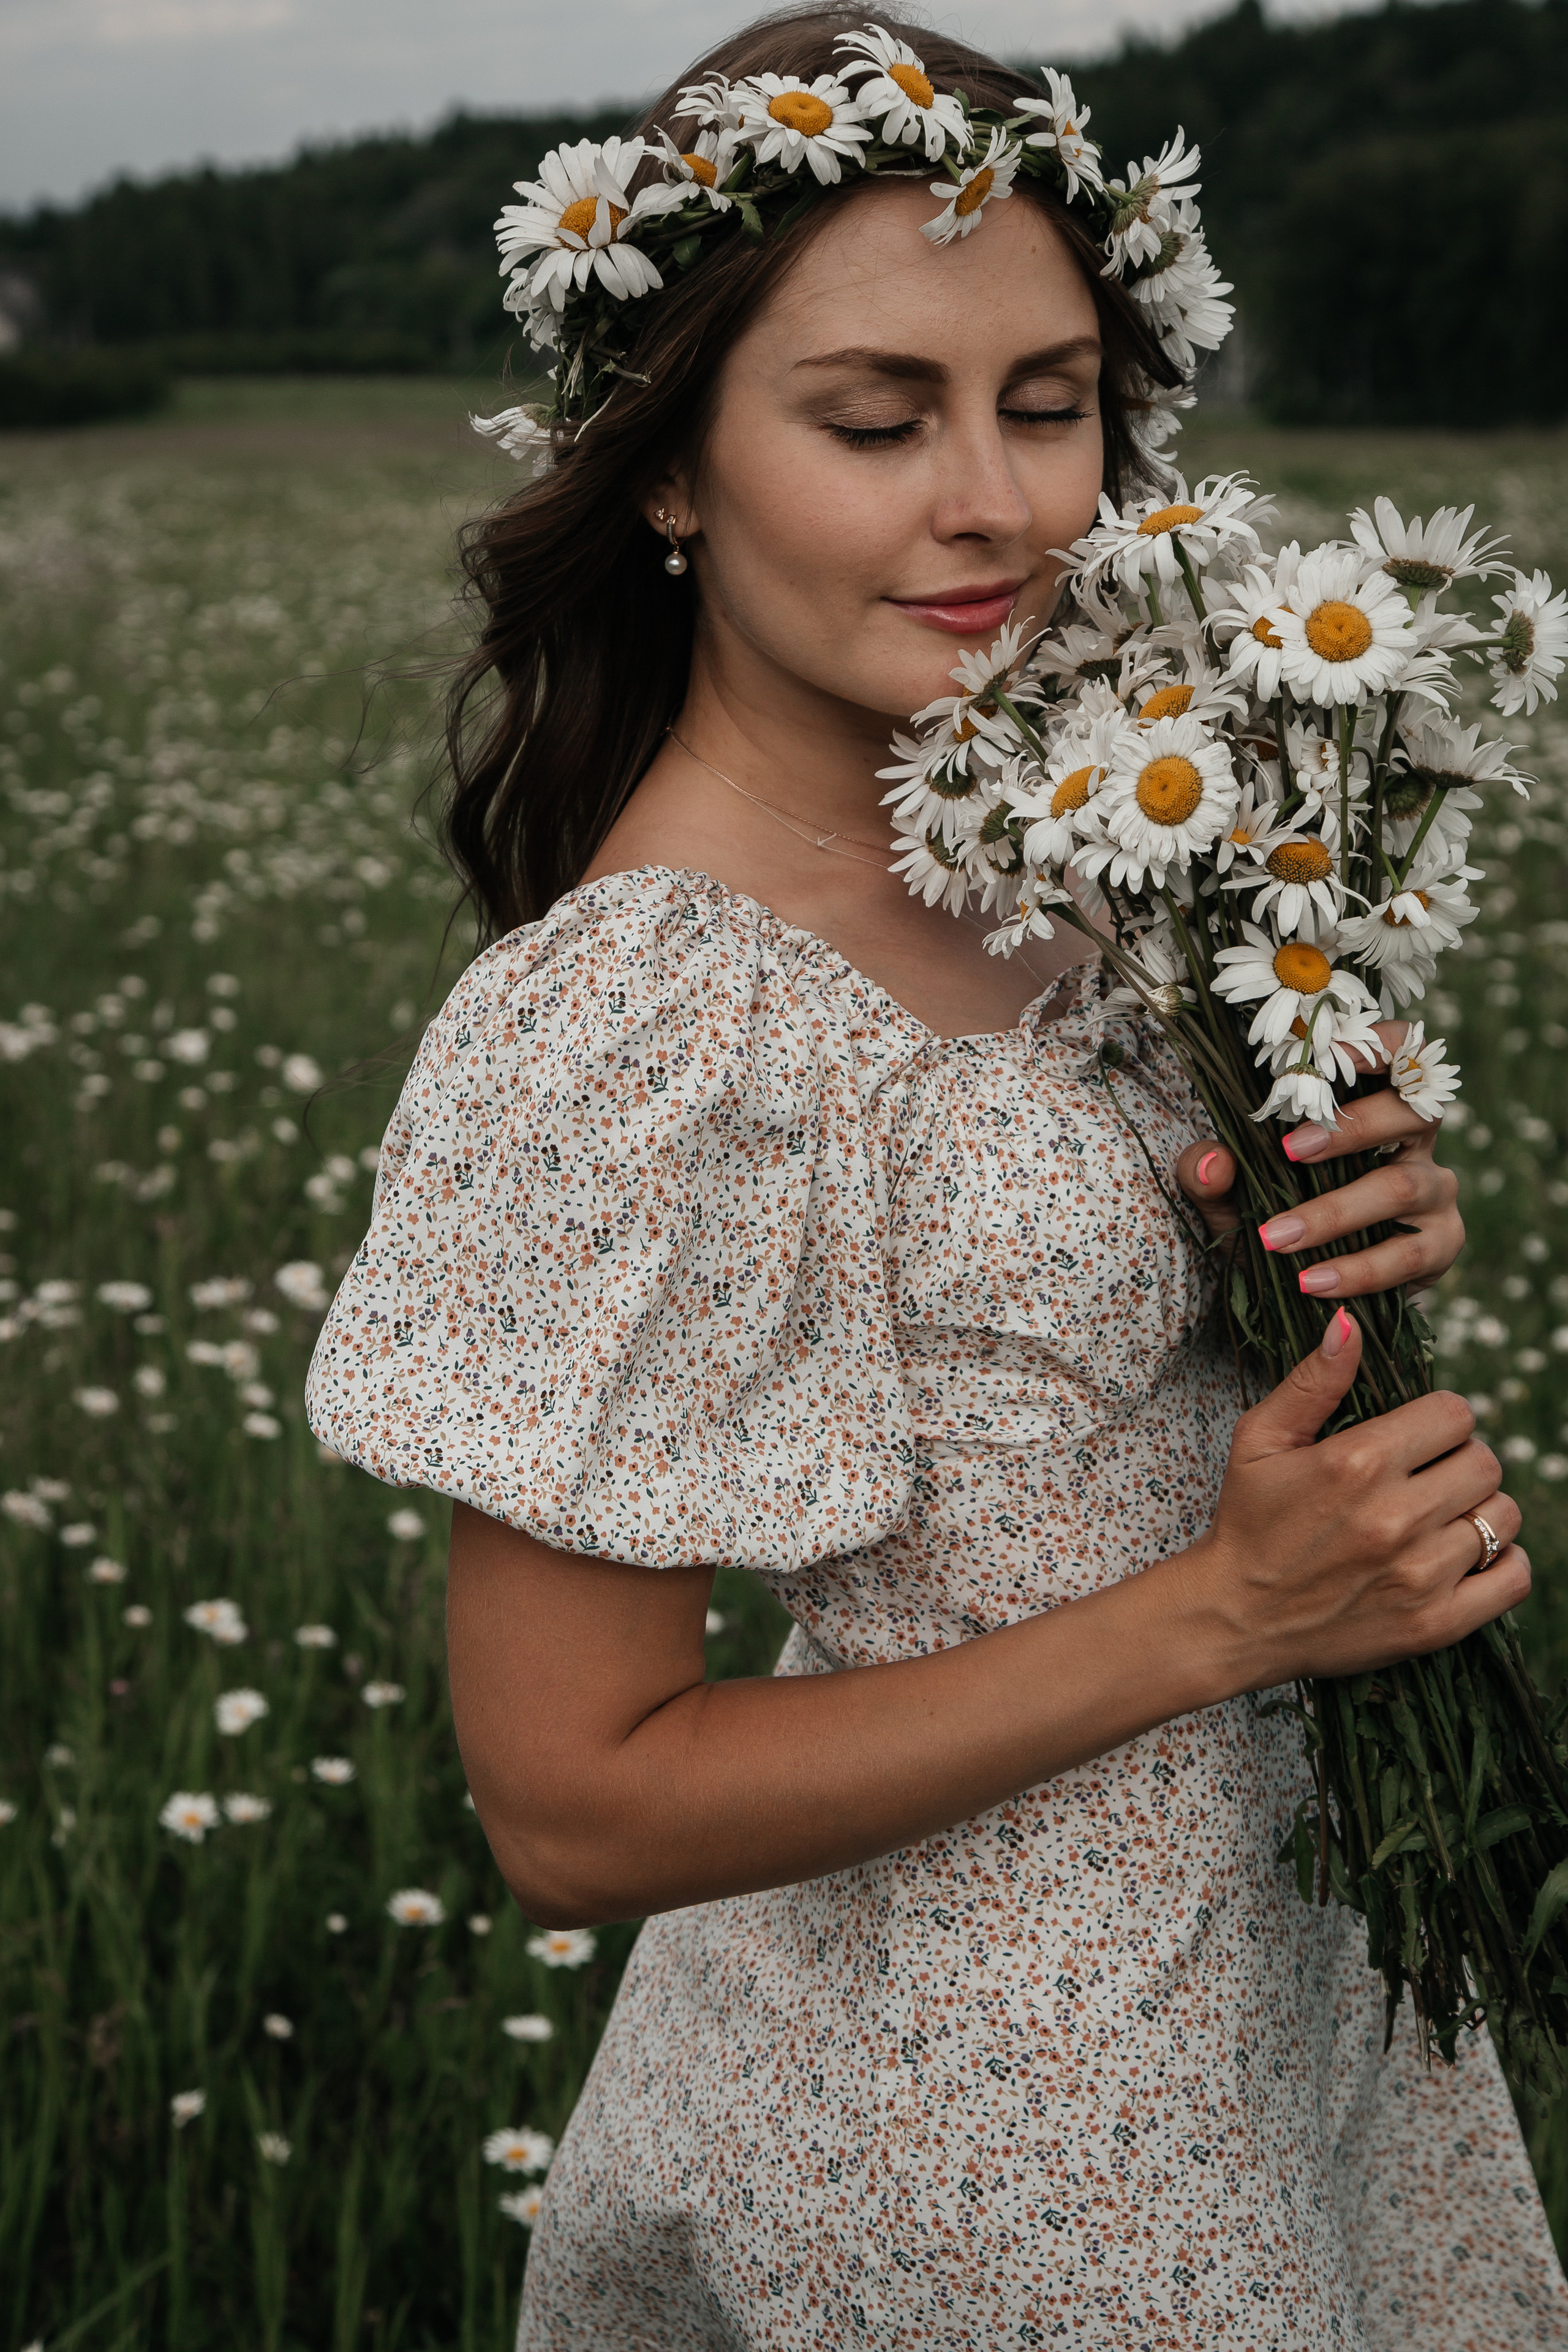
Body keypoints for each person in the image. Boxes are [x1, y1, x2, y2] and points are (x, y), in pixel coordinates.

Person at [306, 9, 1567, 2343]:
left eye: (1052, 401)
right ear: (669, 465)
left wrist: (1347, 1236)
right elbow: (574, 1809)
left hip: (1298, 2010)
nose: (996, 501)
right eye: (876, 420)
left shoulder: (1094, 860)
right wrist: (1229, 1616)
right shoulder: (644, 1020)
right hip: (982, 2141)